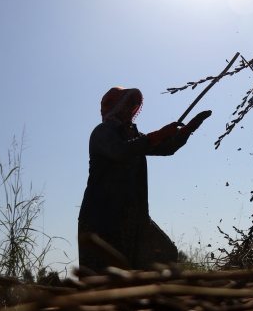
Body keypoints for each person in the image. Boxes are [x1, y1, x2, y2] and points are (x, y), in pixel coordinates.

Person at [78, 87, 211, 272]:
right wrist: (158, 134)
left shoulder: (135, 137)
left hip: (134, 216)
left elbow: (167, 147)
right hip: (102, 218)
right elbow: (122, 151)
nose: (128, 111)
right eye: (125, 105)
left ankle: (154, 299)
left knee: (164, 253)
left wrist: (186, 130)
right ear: (114, 107)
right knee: (104, 277)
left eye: (131, 106)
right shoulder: (103, 132)